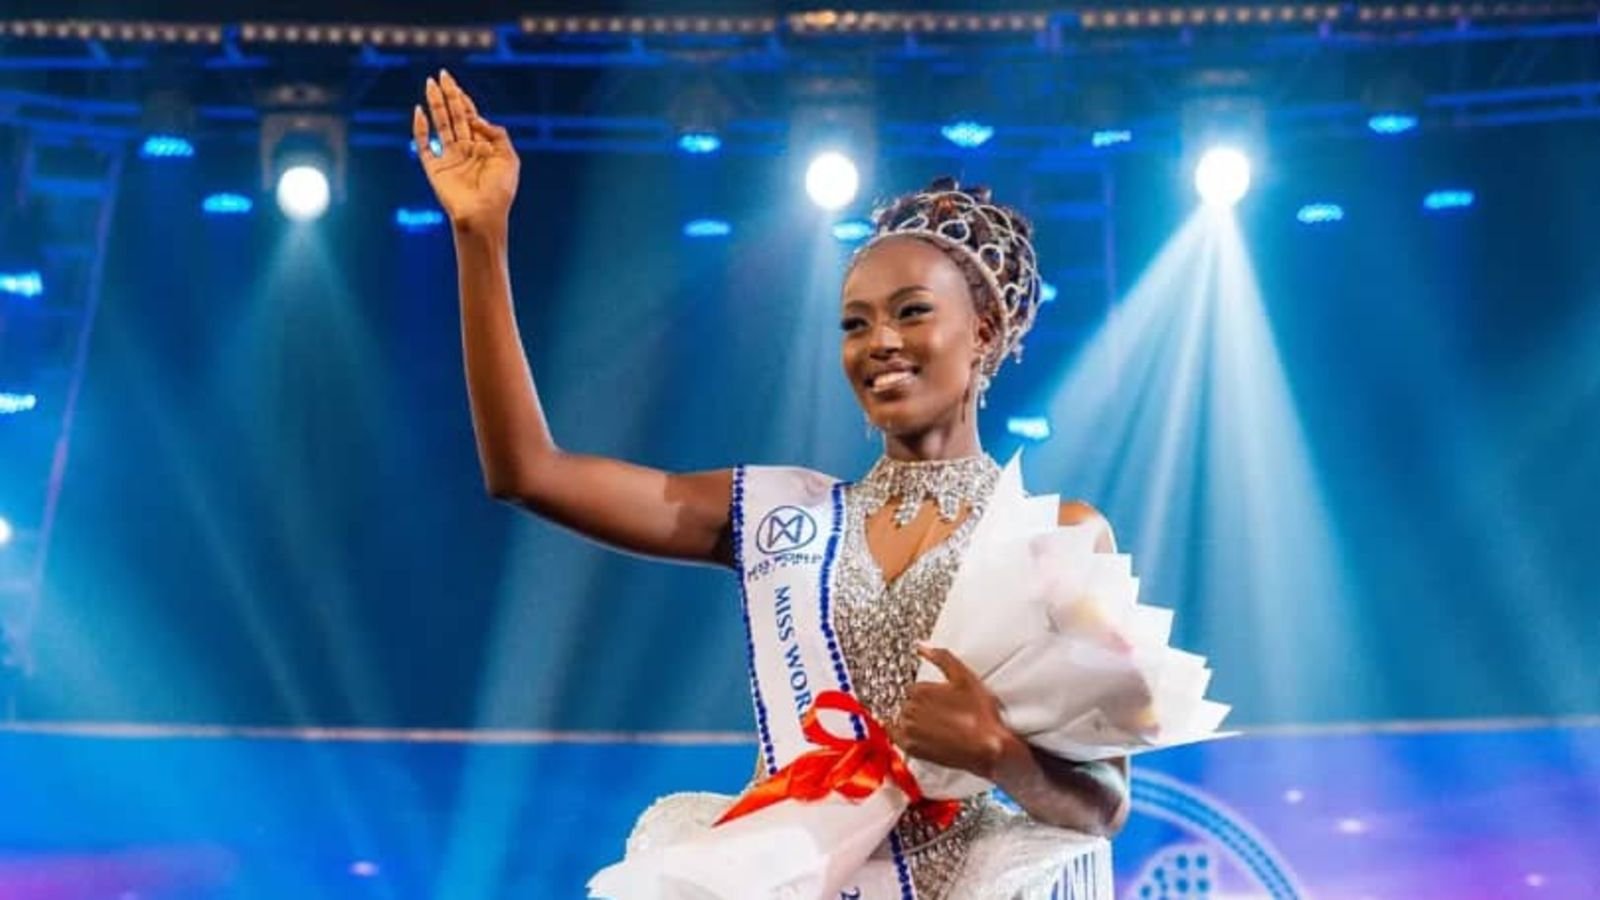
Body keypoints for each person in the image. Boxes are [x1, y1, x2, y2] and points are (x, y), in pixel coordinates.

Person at [413, 70, 1129, 899]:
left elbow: (1104, 802)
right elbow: (527, 472)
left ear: (985, 331)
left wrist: (1000, 754)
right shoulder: (783, 513)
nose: (880, 341)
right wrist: (482, 237)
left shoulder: (1056, 537)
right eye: (854, 323)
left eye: (911, 312)